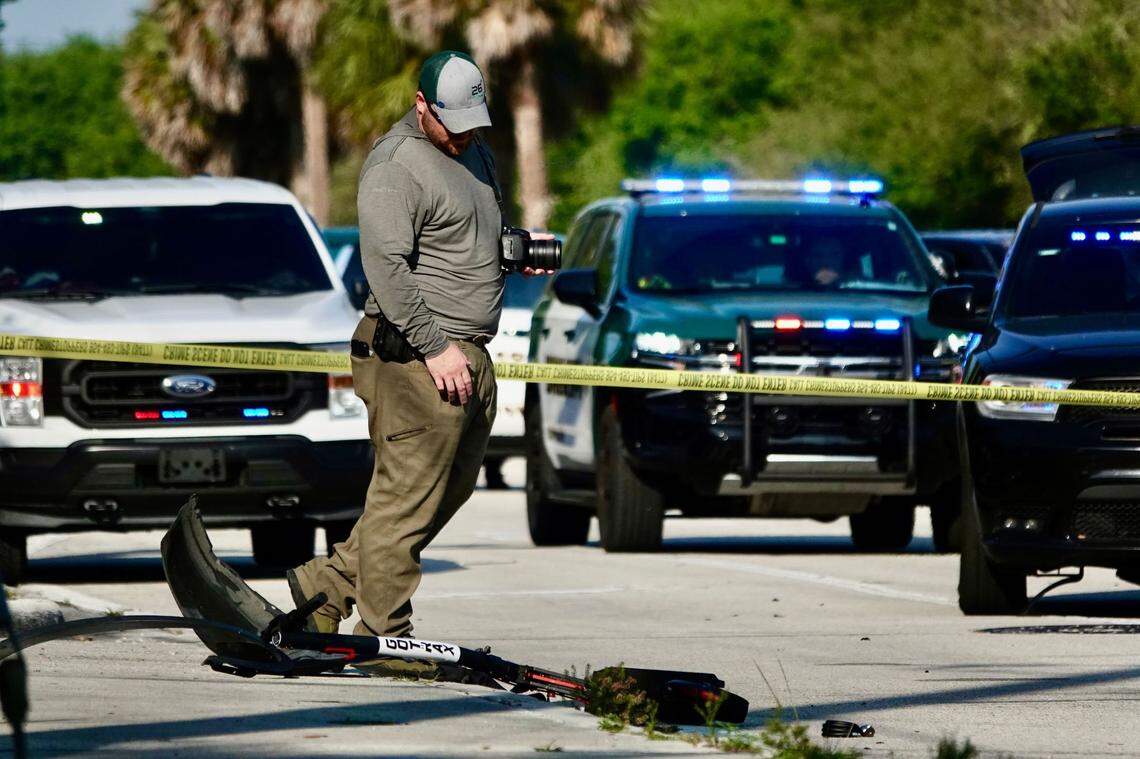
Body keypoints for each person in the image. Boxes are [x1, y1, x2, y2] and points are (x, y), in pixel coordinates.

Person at [286, 51, 547, 676]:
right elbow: (386, 268)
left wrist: (511, 253)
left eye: (473, 123)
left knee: (438, 496)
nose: (463, 135)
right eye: (451, 123)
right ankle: (388, 637)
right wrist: (435, 347)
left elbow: (459, 236)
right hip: (416, 357)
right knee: (405, 501)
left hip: (468, 352)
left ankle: (326, 586)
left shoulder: (477, 153)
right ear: (421, 103)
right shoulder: (395, 166)